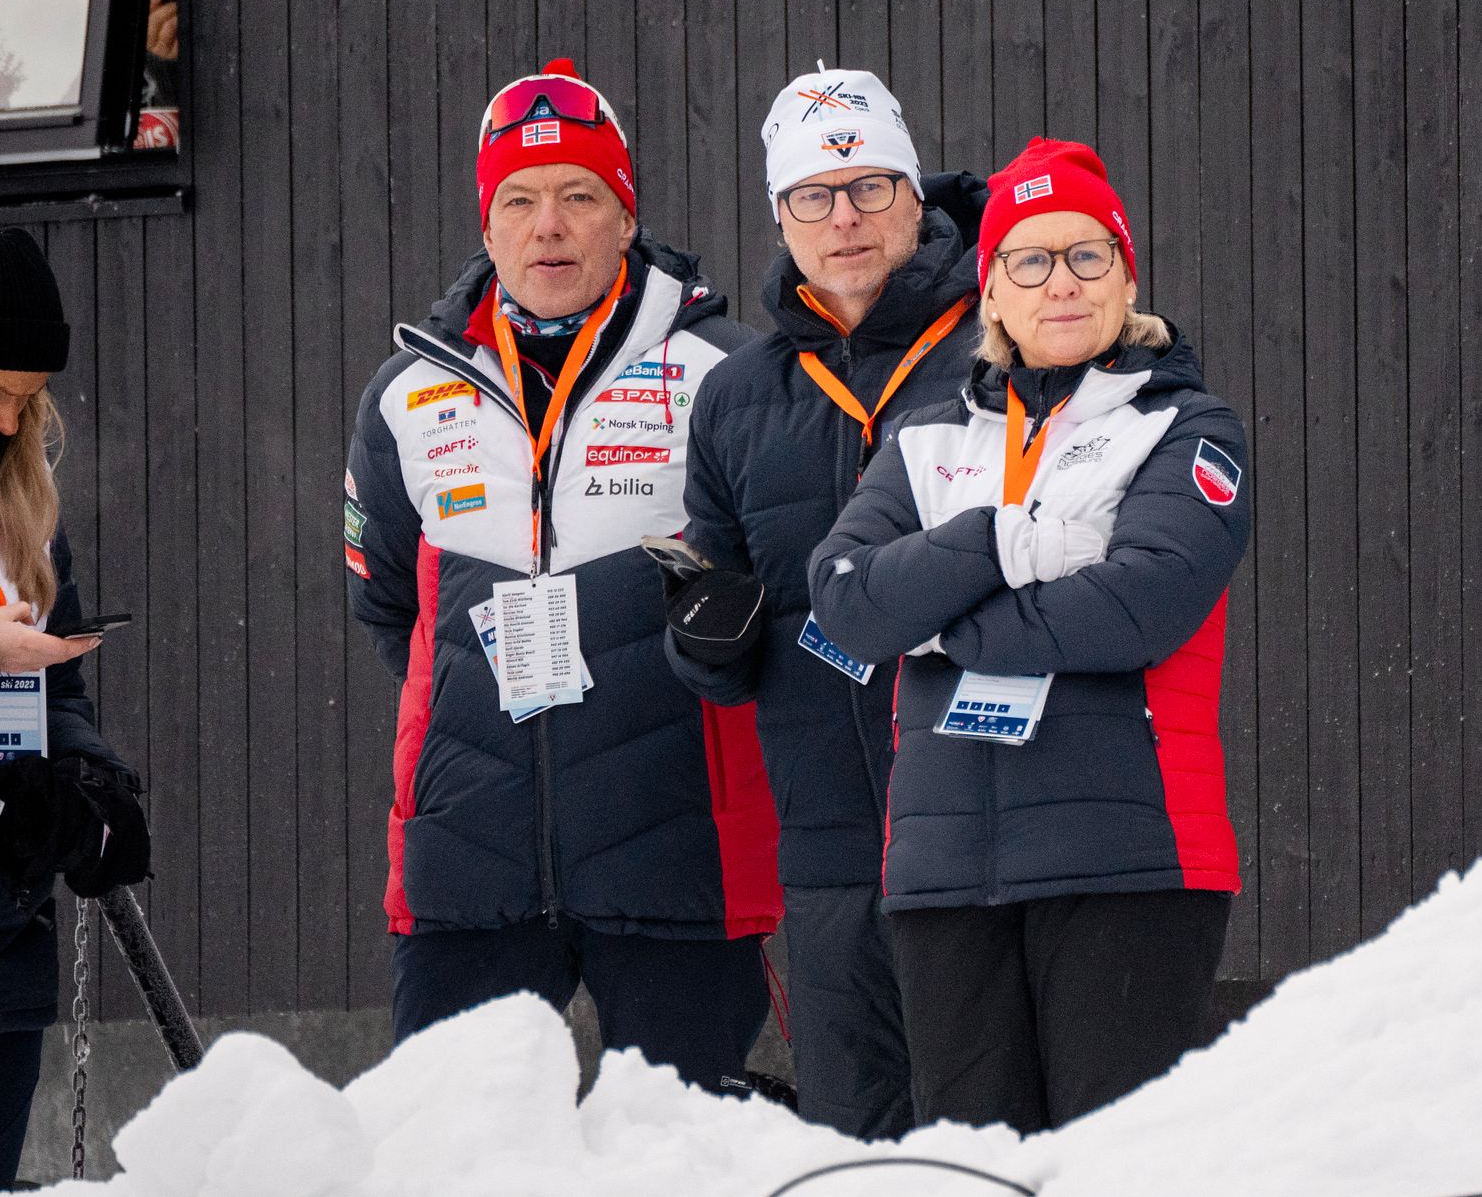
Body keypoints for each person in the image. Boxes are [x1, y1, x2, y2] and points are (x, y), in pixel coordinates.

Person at [344, 59, 781, 1094]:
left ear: (623, 218)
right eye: (520, 201)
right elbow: (390, 605)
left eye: (579, 196)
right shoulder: (407, 395)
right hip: (469, 866)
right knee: (456, 1162)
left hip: (677, 856)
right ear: (486, 229)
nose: (549, 226)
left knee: (679, 1161)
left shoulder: (726, 372)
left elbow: (781, 590)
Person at [806, 138, 1249, 1133]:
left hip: (1126, 861)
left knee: (1112, 1171)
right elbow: (844, 600)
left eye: (1087, 255)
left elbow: (1139, 605)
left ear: (1125, 278)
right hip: (941, 878)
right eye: (1030, 259)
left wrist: (940, 625)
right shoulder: (924, 439)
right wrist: (995, 537)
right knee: (973, 1174)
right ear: (990, 293)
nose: (1062, 282)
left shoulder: (1182, 428)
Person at [659, 68, 984, 1139]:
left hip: (987, 818)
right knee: (855, 1134)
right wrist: (704, 639)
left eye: (868, 186)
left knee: (988, 1129)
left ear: (913, 194)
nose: (842, 218)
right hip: (827, 841)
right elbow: (719, 617)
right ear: (779, 216)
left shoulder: (1001, 341)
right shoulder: (739, 394)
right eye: (812, 195)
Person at [0, 228, 149, 1197]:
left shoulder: (21, 510)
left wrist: (87, 781)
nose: (7, 417)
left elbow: (53, 688)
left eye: (26, 401)